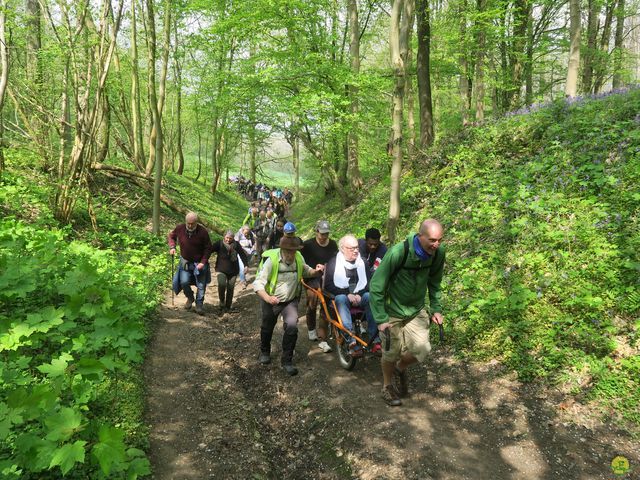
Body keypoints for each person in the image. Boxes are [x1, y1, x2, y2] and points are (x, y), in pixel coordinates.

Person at [369, 219, 445, 407]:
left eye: (440, 240)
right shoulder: (398, 252)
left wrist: (435, 308)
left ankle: (400, 368)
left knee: (423, 349)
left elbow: (435, 282)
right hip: (391, 311)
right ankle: (387, 386)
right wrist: (380, 318)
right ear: (420, 237)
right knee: (390, 351)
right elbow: (376, 286)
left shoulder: (437, 254)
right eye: (432, 240)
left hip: (416, 309)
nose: (436, 245)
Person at [253, 236, 324, 376]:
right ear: (281, 249)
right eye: (288, 252)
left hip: (290, 301)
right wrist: (268, 298)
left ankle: (287, 361)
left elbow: (306, 270)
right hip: (270, 300)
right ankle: (265, 352)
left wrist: (316, 271)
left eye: (293, 251)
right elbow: (257, 284)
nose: (291, 255)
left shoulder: (298, 257)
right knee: (267, 327)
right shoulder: (271, 261)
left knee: (292, 328)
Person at [324, 235, 379, 356]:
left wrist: (359, 294)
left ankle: (375, 340)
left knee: (370, 296)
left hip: (360, 297)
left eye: (357, 248)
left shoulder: (362, 261)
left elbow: (369, 283)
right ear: (342, 248)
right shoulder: (334, 262)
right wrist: (347, 294)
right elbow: (328, 285)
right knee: (341, 298)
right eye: (351, 248)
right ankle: (351, 340)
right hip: (343, 298)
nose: (355, 251)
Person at [301, 220, 338, 353]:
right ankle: (311, 328)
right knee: (313, 300)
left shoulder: (333, 244)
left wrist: (327, 267)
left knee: (326, 305)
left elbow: (336, 260)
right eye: (321, 234)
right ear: (316, 232)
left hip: (327, 277)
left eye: (326, 234)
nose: (323, 237)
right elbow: (301, 262)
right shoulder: (308, 245)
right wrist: (312, 269)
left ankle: (323, 338)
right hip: (311, 277)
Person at [168, 212, 213, 315]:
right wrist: (172, 247)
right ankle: (190, 298)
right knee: (184, 282)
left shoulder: (203, 232)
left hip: (199, 263)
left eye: (192, 223)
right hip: (185, 262)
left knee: (201, 285)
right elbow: (171, 236)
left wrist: (203, 262)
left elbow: (208, 248)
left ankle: (199, 305)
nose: (190, 225)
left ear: (196, 222)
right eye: (188, 223)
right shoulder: (180, 228)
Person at [211, 230, 249, 313]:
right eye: (227, 238)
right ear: (224, 236)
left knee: (230, 288)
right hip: (221, 269)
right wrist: (203, 260)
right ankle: (221, 302)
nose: (228, 240)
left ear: (233, 238)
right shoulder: (219, 244)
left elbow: (242, 255)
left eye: (230, 238)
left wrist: (246, 265)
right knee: (221, 284)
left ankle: (228, 306)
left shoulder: (236, 245)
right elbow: (210, 250)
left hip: (233, 270)